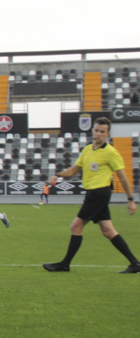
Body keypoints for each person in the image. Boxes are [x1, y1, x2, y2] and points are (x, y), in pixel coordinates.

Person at [43, 117, 139, 273]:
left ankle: (65, 264)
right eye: (96, 130)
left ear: (108, 134)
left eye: (102, 132)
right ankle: (135, 264)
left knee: (76, 226)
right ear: (92, 130)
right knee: (108, 230)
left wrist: (130, 200)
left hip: (99, 193)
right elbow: (74, 170)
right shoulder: (87, 149)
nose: (99, 134)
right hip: (93, 193)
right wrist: (58, 175)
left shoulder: (110, 153)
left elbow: (122, 177)